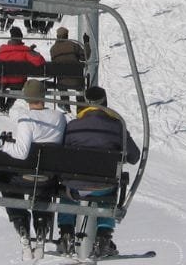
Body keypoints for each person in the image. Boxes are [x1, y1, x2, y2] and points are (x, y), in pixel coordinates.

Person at [56, 86, 140, 258]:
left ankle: (66, 232)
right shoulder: (117, 126)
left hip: (75, 187)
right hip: (103, 186)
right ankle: (103, 237)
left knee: (67, 195)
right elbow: (134, 156)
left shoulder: (73, 126)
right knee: (108, 194)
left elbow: (63, 153)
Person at [0, 79, 67, 252]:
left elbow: (21, 152)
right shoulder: (59, 117)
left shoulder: (26, 118)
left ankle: (20, 220)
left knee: (5, 181)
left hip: (24, 178)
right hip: (47, 178)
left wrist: (2, 144)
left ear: (26, 98)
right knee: (43, 188)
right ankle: (41, 223)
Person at [0, 26, 46, 113]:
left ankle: (0, 105)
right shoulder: (25, 51)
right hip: (18, 82)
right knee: (16, 87)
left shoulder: (2, 49)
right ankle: (7, 106)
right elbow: (40, 61)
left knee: (0, 84)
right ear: (21, 38)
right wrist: (32, 52)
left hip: (2, 80)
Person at [49, 27, 91, 112]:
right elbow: (86, 56)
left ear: (57, 36)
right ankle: (81, 108)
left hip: (61, 82)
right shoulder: (73, 45)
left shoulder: (53, 49)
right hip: (77, 81)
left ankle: (65, 103)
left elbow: (54, 64)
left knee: (61, 75)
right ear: (67, 36)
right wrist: (86, 43)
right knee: (79, 86)